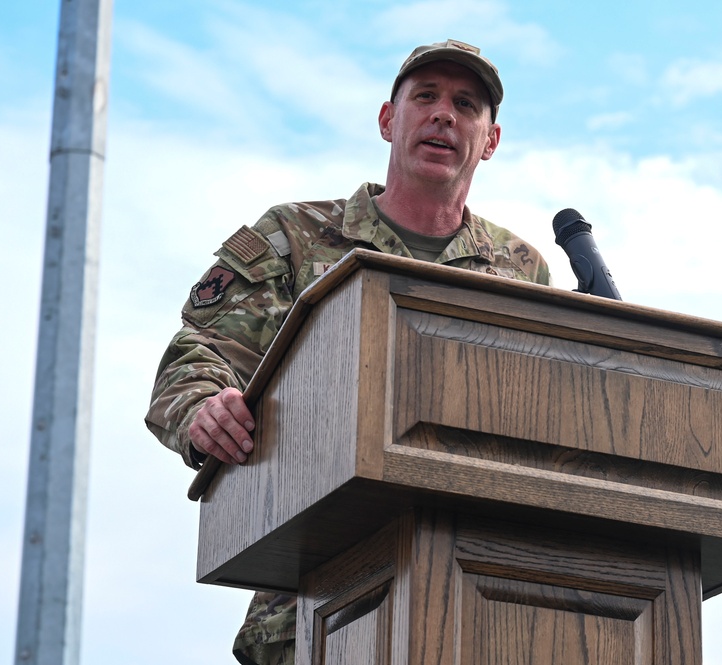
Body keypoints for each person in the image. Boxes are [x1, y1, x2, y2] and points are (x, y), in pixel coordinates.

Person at [145, 39, 552, 665]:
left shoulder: (522, 270)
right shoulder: (297, 236)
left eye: (465, 104)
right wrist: (204, 409)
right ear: (389, 121)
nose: (444, 114)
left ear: (490, 139)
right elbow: (197, 350)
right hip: (321, 603)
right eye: (426, 97)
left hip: (487, 607)